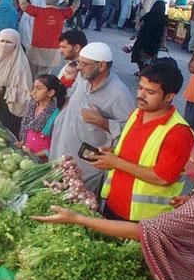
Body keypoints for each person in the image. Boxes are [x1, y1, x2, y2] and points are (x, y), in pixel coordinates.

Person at [34, 136, 194, 280]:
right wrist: (189, 200)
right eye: (191, 158)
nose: (189, 166)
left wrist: (77, 219)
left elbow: (141, 231)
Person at [94, 59, 194, 221]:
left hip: (145, 219)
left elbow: (162, 178)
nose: (141, 95)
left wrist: (116, 162)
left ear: (169, 96)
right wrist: (111, 155)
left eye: (151, 92)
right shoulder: (136, 114)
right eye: (140, 88)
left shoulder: (179, 132)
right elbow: (134, 154)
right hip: (114, 203)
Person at [50, 43, 134, 193]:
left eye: (84, 64)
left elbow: (130, 134)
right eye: (79, 62)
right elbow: (70, 98)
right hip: (61, 150)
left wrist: (103, 122)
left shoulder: (120, 95)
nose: (79, 67)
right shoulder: (83, 79)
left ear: (101, 66)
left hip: (85, 168)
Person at [19, 0, 79, 77]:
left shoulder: (38, 11)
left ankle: (32, 88)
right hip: (53, 49)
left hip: (37, 46)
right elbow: (74, 7)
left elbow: (23, 4)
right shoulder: (62, 13)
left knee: (31, 72)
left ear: (45, 0)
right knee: (44, 75)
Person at [16, 74, 66, 161]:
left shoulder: (56, 116)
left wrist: (33, 155)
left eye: (39, 89)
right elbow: (27, 129)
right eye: (34, 88)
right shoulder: (31, 106)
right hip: (26, 156)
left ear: (50, 93)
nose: (33, 92)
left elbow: (55, 147)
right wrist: (22, 142)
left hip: (41, 162)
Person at [131, 0, 168, 71]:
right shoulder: (164, 18)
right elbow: (164, 32)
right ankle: (145, 72)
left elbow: (140, 26)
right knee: (151, 58)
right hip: (155, 41)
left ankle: (142, 70)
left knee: (138, 56)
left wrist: (134, 35)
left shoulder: (148, 15)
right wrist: (163, 43)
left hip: (143, 39)